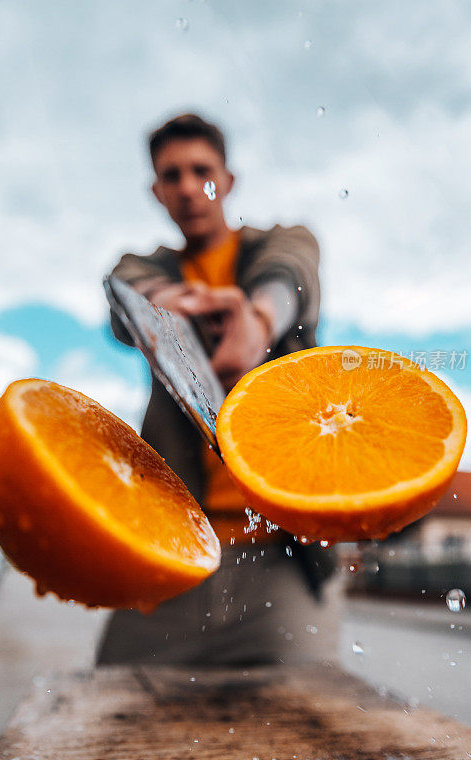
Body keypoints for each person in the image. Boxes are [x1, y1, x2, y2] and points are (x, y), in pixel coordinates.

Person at [96, 113, 339, 665]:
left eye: (201, 172)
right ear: (155, 191)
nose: (188, 188)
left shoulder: (279, 242)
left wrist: (258, 319)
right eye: (171, 175)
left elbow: (292, 271)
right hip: (175, 552)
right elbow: (123, 294)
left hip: (285, 561)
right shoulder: (143, 265)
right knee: (114, 702)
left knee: (305, 728)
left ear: (227, 181)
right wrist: (159, 307)